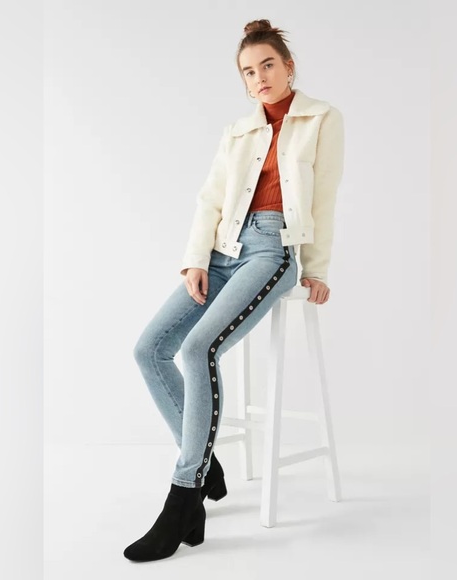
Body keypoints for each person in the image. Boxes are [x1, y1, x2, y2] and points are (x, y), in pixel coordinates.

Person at [123, 18, 345, 562]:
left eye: (267, 65)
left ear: (288, 67)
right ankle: (204, 462)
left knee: (199, 348)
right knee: (150, 349)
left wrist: (316, 269)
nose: (259, 77)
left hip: (272, 250)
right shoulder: (238, 131)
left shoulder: (321, 119)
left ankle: (184, 496)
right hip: (223, 248)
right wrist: (195, 260)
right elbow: (211, 198)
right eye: (248, 71)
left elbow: (324, 198)